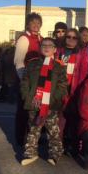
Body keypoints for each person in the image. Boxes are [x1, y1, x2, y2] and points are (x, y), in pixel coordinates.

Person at [20, 38, 67, 166]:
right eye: (44, 45)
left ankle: (55, 153)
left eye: (50, 45)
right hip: (34, 103)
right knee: (33, 129)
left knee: (53, 130)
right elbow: (25, 82)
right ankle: (30, 152)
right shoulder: (32, 64)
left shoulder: (59, 66)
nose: (46, 47)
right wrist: (28, 98)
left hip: (51, 105)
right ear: (40, 48)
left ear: (55, 49)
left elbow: (62, 85)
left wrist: (51, 100)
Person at [56, 28, 88, 155]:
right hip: (59, 91)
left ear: (78, 40)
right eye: (68, 37)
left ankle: (73, 146)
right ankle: (58, 145)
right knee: (60, 121)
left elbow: (84, 73)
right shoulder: (59, 51)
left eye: (74, 37)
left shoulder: (82, 53)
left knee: (74, 121)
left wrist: (77, 92)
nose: (71, 39)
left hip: (74, 91)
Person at [14, 12, 43, 146]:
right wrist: (23, 80)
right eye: (33, 23)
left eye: (38, 23)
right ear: (28, 24)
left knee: (34, 110)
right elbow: (18, 61)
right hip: (26, 80)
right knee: (23, 110)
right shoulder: (24, 39)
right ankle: (21, 138)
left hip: (38, 80)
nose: (36, 25)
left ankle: (33, 138)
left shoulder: (42, 39)